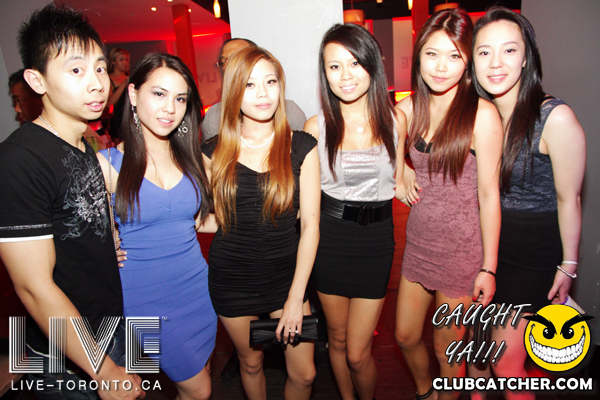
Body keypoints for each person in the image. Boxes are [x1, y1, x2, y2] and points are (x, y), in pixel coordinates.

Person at [0, 4, 143, 399]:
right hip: (67, 358)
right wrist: (104, 371)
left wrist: (104, 242)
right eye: (76, 70)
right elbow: (33, 287)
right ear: (37, 80)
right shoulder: (19, 159)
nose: (97, 83)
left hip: (111, 329)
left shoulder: (82, 145)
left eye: (100, 68)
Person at [469, 7, 586, 400]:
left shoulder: (554, 118)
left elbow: (570, 198)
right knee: (477, 359)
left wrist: (568, 265)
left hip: (531, 256)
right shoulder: (475, 116)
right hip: (484, 249)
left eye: (509, 50)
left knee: (506, 366)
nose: (496, 63)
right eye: (484, 52)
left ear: (526, 57)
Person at [393, 9, 503, 400]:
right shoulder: (408, 109)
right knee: (405, 336)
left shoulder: (481, 115)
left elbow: (489, 195)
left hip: (461, 252)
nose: (441, 67)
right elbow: (379, 155)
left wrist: (488, 267)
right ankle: (427, 393)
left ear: (467, 61)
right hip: (419, 244)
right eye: (432, 54)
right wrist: (400, 173)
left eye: (454, 56)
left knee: (446, 351)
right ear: (418, 56)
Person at [97, 53, 217, 400]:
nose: (170, 108)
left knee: (198, 377)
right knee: (200, 390)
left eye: (180, 98)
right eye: (159, 94)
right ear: (133, 94)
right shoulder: (106, 165)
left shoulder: (193, 159)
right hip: (145, 298)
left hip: (198, 287)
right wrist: (102, 248)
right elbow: (78, 237)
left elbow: (202, 222)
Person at [203, 46, 320, 400]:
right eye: (250, 85)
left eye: (271, 82)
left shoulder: (302, 146)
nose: (263, 93)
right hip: (231, 278)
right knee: (250, 363)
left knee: (305, 374)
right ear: (234, 92)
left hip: (287, 278)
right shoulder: (213, 151)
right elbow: (213, 219)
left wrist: (296, 297)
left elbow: (311, 226)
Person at [304, 23, 407, 400]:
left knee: (359, 352)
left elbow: (399, 173)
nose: (345, 75)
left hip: (377, 244)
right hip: (331, 242)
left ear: (372, 65)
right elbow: (305, 200)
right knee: (337, 338)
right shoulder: (316, 128)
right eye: (334, 66)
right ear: (325, 73)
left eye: (354, 63)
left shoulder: (396, 121)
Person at [201, 37, 306, 142]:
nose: (230, 65)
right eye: (224, 61)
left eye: (239, 57)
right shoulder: (214, 118)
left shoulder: (290, 113)